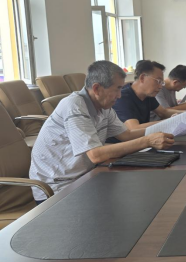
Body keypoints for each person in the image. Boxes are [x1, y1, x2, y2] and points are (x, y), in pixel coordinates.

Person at [29, 61, 175, 204]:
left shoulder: (104, 107)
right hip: (57, 188)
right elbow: (96, 155)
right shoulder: (75, 106)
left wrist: (167, 125)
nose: (120, 95)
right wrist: (148, 141)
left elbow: (127, 135)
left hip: (84, 176)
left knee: (143, 193)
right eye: (117, 89)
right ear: (97, 88)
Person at [112, 60, 186, 132]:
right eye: (158, 81)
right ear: (142, 78)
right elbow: (134, 128)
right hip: (124, 144)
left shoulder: (148, 95)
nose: (160, 87)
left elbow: (163, 112)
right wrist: (171, 122)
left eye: (161, 82)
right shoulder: (122, 97)